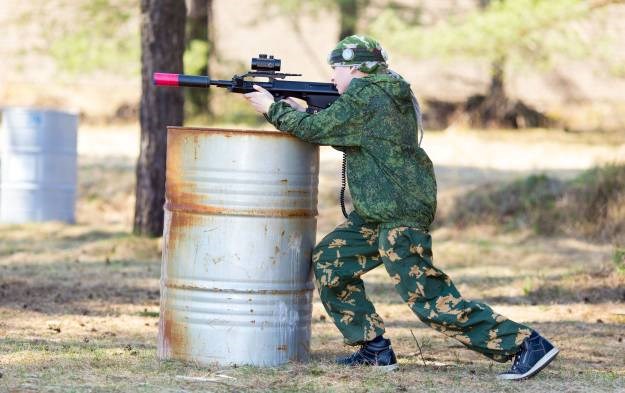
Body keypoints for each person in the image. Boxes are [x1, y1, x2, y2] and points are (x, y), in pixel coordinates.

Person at [244, 35, 558, 380]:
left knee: (431, 300)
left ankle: (525, 343)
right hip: (378, 213)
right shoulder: (384, 93)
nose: (333, 77)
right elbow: (345, 131)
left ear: (353, 68)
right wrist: (300, 110)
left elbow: (316, 130)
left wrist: (272, 108)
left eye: (336, 68)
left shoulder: (366, 95)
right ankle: (374, 349)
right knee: (331, 262)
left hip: (398, 214)